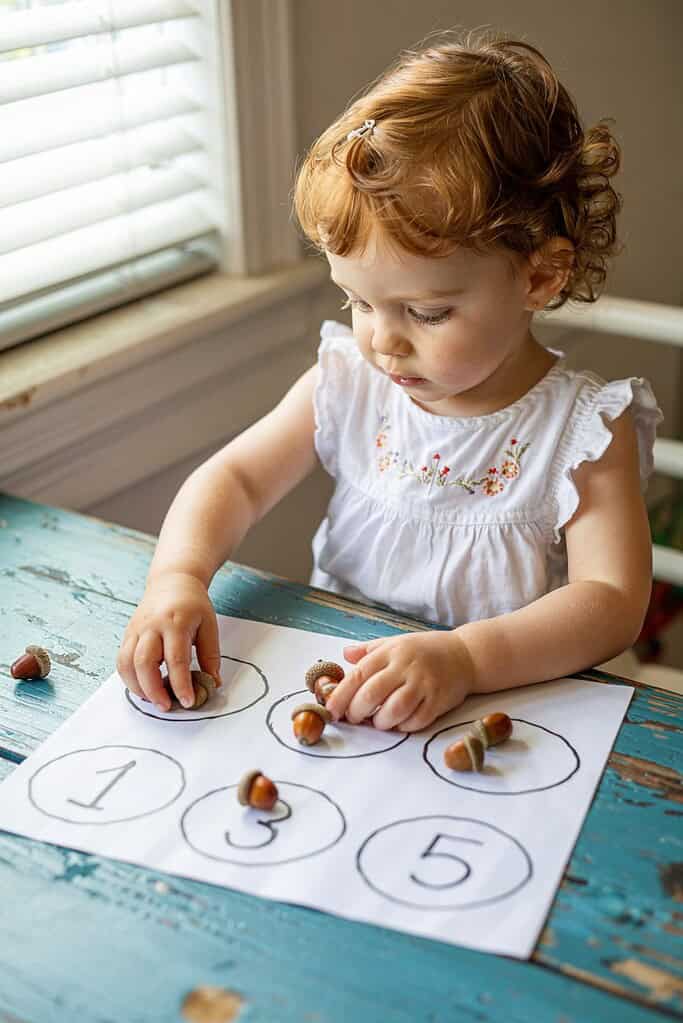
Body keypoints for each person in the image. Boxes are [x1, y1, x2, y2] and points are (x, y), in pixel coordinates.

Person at [116, 29, 662, 732]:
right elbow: (236, 480)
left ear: (538, 276)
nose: (380, 338)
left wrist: (464, 656)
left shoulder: (582, 429)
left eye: (426, 312)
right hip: (345, 698)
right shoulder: (351, 380)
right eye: (358, 300)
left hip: (510, 717)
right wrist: (177, 578)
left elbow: (611, 598)